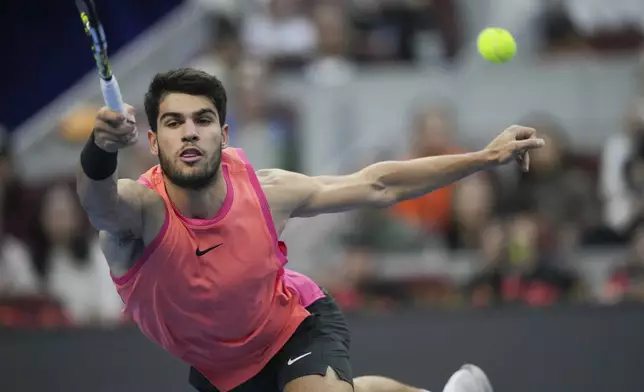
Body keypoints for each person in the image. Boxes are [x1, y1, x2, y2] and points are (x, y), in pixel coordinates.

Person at [76, 68, 544, 392]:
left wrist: (484, 157)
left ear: (224, 133)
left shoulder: (267, 192)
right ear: (154, 141)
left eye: (203, 120)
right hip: (224, 371)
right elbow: (99, 203)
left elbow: (377, 184)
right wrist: (100, 148)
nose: (190, 133)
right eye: (174, 123)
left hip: (293, 323)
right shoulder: (139, 213)